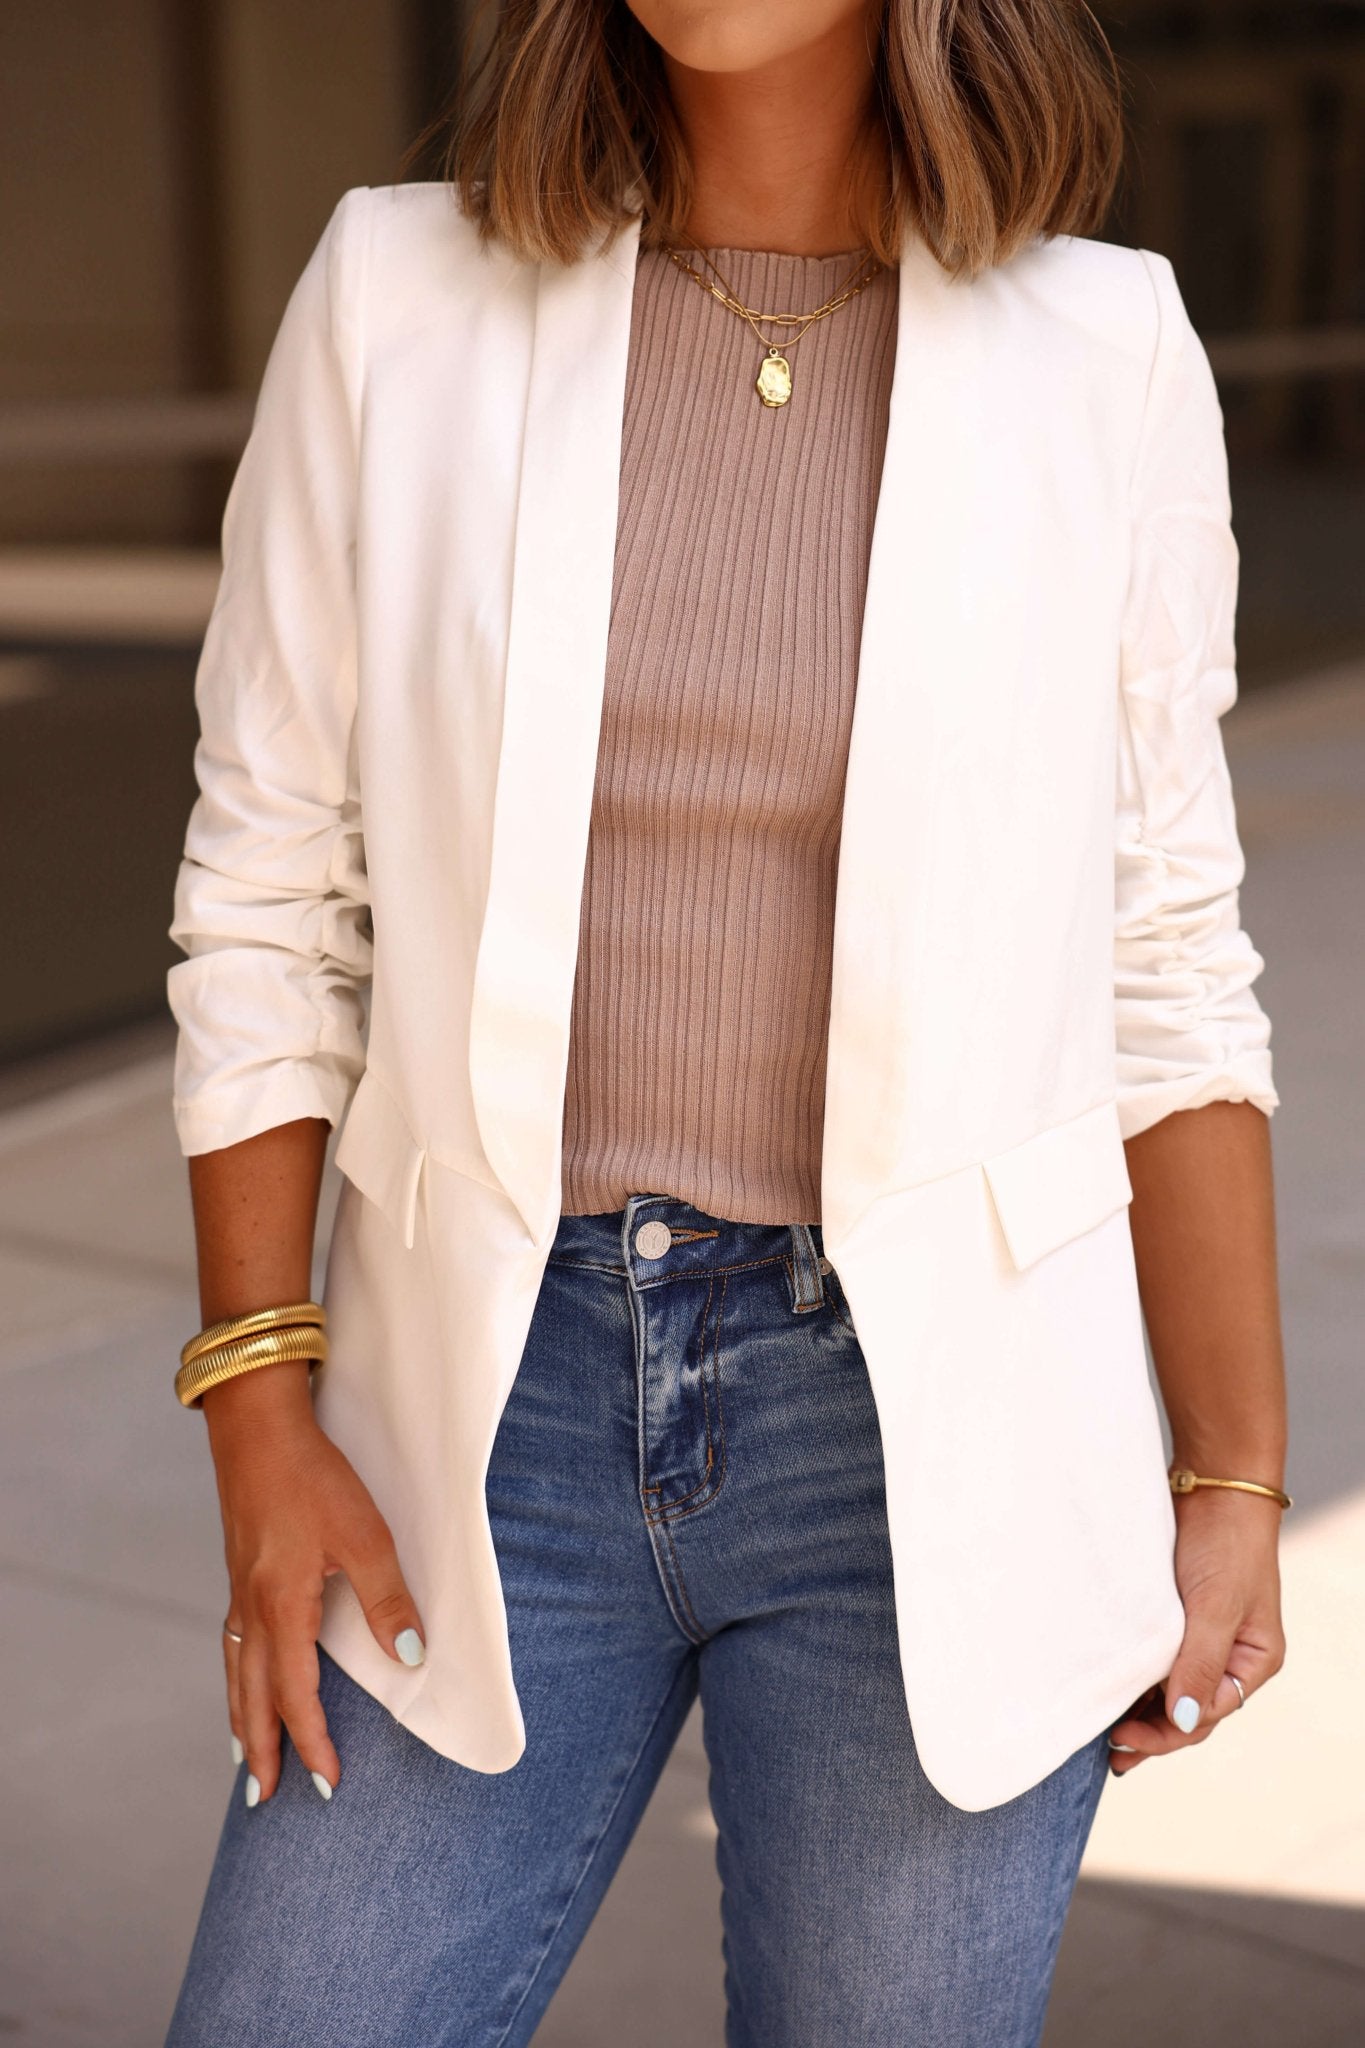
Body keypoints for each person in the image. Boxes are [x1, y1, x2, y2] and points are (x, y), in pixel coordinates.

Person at [161, 2, 1290, 2042]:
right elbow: (264, 892)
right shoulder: (389, 299)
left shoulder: (1103, 354)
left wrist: (1230, 1475)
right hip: (482, 1424)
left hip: (928, 1438)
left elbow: (1165, 956)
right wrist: (260, 1400)